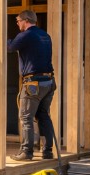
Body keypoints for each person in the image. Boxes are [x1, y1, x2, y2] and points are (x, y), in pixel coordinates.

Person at [8, 10, 56, 161]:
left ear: (26, 20)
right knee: (43, 116)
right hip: (48, 82)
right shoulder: (45, 36)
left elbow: (10, 48)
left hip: (33, 84)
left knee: (26, 117)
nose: (17, 24)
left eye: (18, 21)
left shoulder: (26, 35)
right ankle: (47, 151)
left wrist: (2, 38)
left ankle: (26, 152)